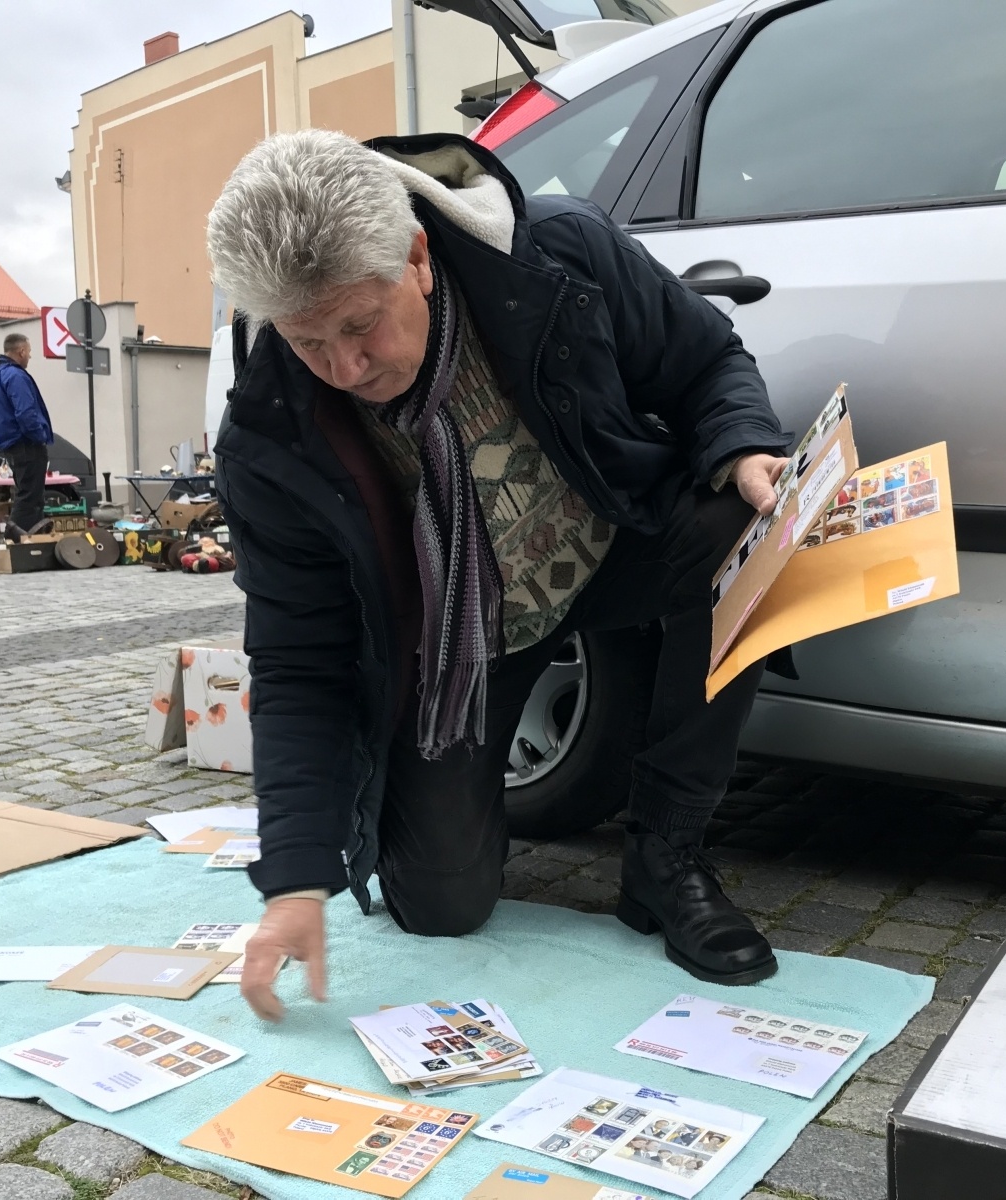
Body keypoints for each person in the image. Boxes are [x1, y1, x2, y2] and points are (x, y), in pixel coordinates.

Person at [207, 129, 791, 1022]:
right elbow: (299, 656)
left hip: (616, 543)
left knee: (740, 525)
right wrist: (294, 878)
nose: (347, 370)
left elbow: (706, 361)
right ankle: (485, 791)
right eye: (308, 341)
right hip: (460, 635)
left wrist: (745, 446)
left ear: (417, 255)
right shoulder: (269, 429)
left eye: (361, 325)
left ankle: (666, 856)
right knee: (440, 905)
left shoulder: (556, 252)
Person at [0, 333, 55, 536]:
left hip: (12, 444)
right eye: (29, 352)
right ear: (21, 351)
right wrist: (39, 436)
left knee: (28, 494)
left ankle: (33, 541)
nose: (30, 357)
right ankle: (14, 540)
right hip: (26, 443)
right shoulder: (15, 376)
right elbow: (25, 412)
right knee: (30, 497)